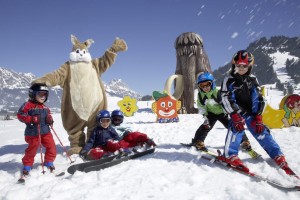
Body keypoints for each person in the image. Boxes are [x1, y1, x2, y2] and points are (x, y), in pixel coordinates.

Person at [219, 50, 297, 176]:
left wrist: (258, 116)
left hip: (251, 112)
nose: (241, 68)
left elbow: (259, 99)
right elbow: (225, 98)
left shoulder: (253, 79)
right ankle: (230, 155)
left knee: (261, 131)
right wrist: (234, 114)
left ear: (250, 66)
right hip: (237, 111)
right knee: (236, 127)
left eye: (245, 66)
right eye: (239, 65)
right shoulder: (229, 80)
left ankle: (276, 154)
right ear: (234, 65)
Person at [191, 72, 258, 158]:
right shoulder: (200, 96)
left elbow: (226, 103)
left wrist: (230, 114)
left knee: (235, 126)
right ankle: (198, 141)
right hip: (211, 114)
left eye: (207, 84)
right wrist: (205, 116)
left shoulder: (218, 93)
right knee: (205, 126)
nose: (205, 88)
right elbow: (201, 106)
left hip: (223, 113)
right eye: (202, 85)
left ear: (212, 84)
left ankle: (244, 141)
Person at [17, 83, 56, 176]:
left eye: (45, 94)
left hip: (45, 132)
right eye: (40, 94)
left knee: (51, 146)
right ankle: (27, 164)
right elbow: (20, 115)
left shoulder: (45, 107)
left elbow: (48, 115)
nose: (43, 97)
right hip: (33, 133)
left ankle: (49, 161)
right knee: (33, 148)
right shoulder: (27, 105)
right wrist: (31, 119)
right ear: (33, 94)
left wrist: (49, 120)